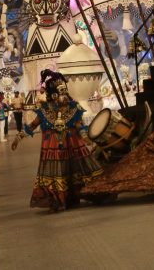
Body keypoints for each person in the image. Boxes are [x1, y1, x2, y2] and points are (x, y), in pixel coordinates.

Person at [11, 70, 104, 212]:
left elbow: (79, 126)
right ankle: (59, 199)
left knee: (78, 170)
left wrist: (86, 138)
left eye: (65, 92)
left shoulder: (73, 108)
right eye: (60, 93)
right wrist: (19, 137)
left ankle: (81, 194)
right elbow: (33, 125)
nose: (64, 96)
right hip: (53, 149)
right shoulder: (44, 110)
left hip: (73, 146)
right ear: (52, 94)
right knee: (57, 172)